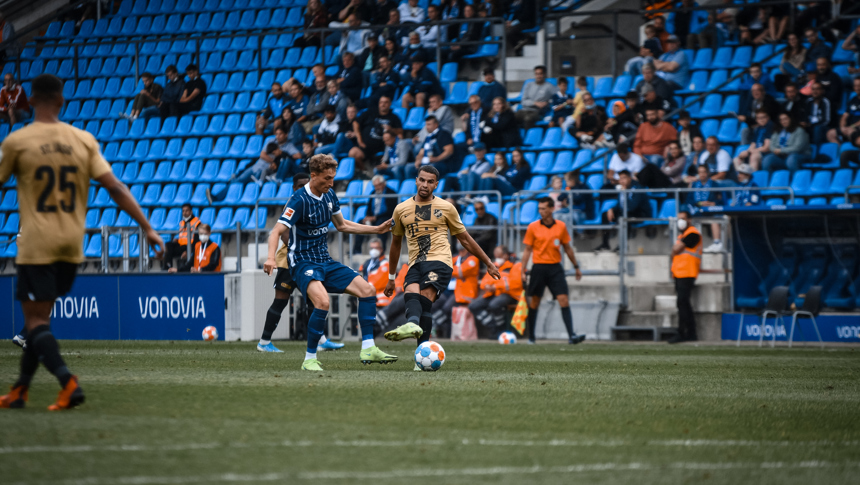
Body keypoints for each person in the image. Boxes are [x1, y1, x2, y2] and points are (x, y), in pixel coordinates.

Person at [0, 74, 164, 410]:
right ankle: (20, 390)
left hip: (36, 244)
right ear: (62, 101)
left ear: (29, 101)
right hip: (72, 247)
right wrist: (147, 227)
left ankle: (67, 382)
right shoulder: (82, 139)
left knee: (35, 322)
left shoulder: (18, 140)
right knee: (39, 319)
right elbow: (116, 187)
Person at [263, 155, 396, 371]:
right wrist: (271, 258)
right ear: (313, 176)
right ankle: (309, 359)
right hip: (303, 263)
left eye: (333, 178)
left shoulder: (329, 194)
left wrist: (377, 229)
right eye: (327, 178)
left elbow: (342, 225)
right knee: (323, 302)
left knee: (368, 290)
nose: (331, 183)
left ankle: (369, 347)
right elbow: (276, 231)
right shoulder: (298, 199)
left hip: (324, 261)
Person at [383, 166, 498, 365]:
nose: (425, 185)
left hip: (440, 261)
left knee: (424, 299)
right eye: (422, 180)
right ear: (416, 180)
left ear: (436, 184)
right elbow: (395, 245)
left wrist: (488, 262)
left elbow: (465, 239)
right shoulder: (401, 210)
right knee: (410, 295)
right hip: (415, 262)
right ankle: (418, 345)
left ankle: (412, 327)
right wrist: (392, 278)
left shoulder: (446, 208)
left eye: (430, 182)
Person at [257, 173, 344, 353]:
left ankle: (320, 340)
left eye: (307, 183)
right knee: (280, 301)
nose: (305, 186)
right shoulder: (294, 202)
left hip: (308, 260)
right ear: (294, 188)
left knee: (316, 301)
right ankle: (264, 342)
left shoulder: (313, 200)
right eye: (301, 185)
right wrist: (302, 248)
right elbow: (283, 232)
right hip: (288, 260)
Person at [521, 197, 584, 344]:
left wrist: (576, 266)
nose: (541, 211)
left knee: (564, 300)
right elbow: (527, 250)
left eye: (544, 208)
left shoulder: (561, 226)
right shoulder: (533, 227)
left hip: (555, 267)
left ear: (551, 209)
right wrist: (523, 269)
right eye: (540, 209)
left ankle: (571, 336)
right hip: (539, 267)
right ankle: (531, 337)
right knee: (535, 302)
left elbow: (567, 248)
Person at [470, 245, 522, 334]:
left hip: (509, 294)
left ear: (506, 255)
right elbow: (485, 280)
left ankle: (501, 329)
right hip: (493, 293)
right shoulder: (494, 265)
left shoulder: (515, 265)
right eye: (496, 255)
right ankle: (492, 326)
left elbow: (515, 283)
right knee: (473, 306)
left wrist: (495, 286)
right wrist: (486, 286)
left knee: (494, 305)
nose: (497, 258)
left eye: (499, 255)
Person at [596, 170, 650, 251]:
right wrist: (611, 209)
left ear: (629, 178)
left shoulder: (637, 188)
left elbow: (632, 207)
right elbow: (620, 205)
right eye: (620, 178)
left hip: (639, 213)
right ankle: (605, 244)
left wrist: (624, 194)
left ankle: (623, 245)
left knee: (624, 217)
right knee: (605, 215)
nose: (622, 181)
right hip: (627, 212)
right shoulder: (622, 189)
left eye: (624, 178)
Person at [669, 210, 701, 343]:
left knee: (682, 302)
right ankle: (691, 333)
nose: (680, 221)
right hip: (679, 273)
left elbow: (675, 250)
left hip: (687, 273)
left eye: (683, 218)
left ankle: (682, 332)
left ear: (689, 220)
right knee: (683, 303)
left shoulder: (693, 234)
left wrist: (674, 249)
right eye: (679, 219)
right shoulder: (682, 236)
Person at [349, 95, 403, 169]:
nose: (383, 104)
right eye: (381, 102)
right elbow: (355, 123)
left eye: (386, 102)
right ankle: (365, 172)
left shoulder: (394, 117)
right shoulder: (371, 112)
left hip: (382, 148)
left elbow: (400, 132)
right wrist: (359, 139)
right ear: (378, 104)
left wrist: (391, 129)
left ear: (390, 104)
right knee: (352, 153)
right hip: (365, 147)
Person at [687, 165, 724, 253]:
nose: (702, 174)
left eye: (704, 172)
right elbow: (689, 199)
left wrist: (713, 203)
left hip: (711, 211)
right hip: (697, 210)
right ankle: (694, 244)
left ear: (707, 173)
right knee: (689, 217)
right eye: (700, 172)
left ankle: (716, 243)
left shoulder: (714, 184)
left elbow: (721, 199)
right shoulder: (694, 185)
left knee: (714, 218)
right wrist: (700, 203)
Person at [162, 203, 200, 270]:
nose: (185, 213)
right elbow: (182, 236)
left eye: (187, 211)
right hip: (181, 245)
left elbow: (197, 240)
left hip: (190, 246)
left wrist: (188, 251)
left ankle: (168, 268)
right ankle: (168, 266)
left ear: (191, 211)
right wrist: (177, 240)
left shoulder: (197, 223)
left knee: (170, 249)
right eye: (183, 211)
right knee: (168, 245)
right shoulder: (181, 223)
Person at [359, 238, 391, 305]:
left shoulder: (385, 264)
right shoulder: (367, 263)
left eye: (376, 248)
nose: (374, 250)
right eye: (372, 248)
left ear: (381, 249)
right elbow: (360, 274)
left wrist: (364, 286)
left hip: (381, 301)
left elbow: (378, 281)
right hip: (368, 297)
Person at [835, 77, 860, 143]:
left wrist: (852, 126)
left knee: (850, 131)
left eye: (859, 86)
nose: (857, 88)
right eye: (855, 86)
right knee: (830, 134)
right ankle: (841, 150)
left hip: (856, 128)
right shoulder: (853, 100)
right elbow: (844, 116)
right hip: (850, 127)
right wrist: (842, 127)